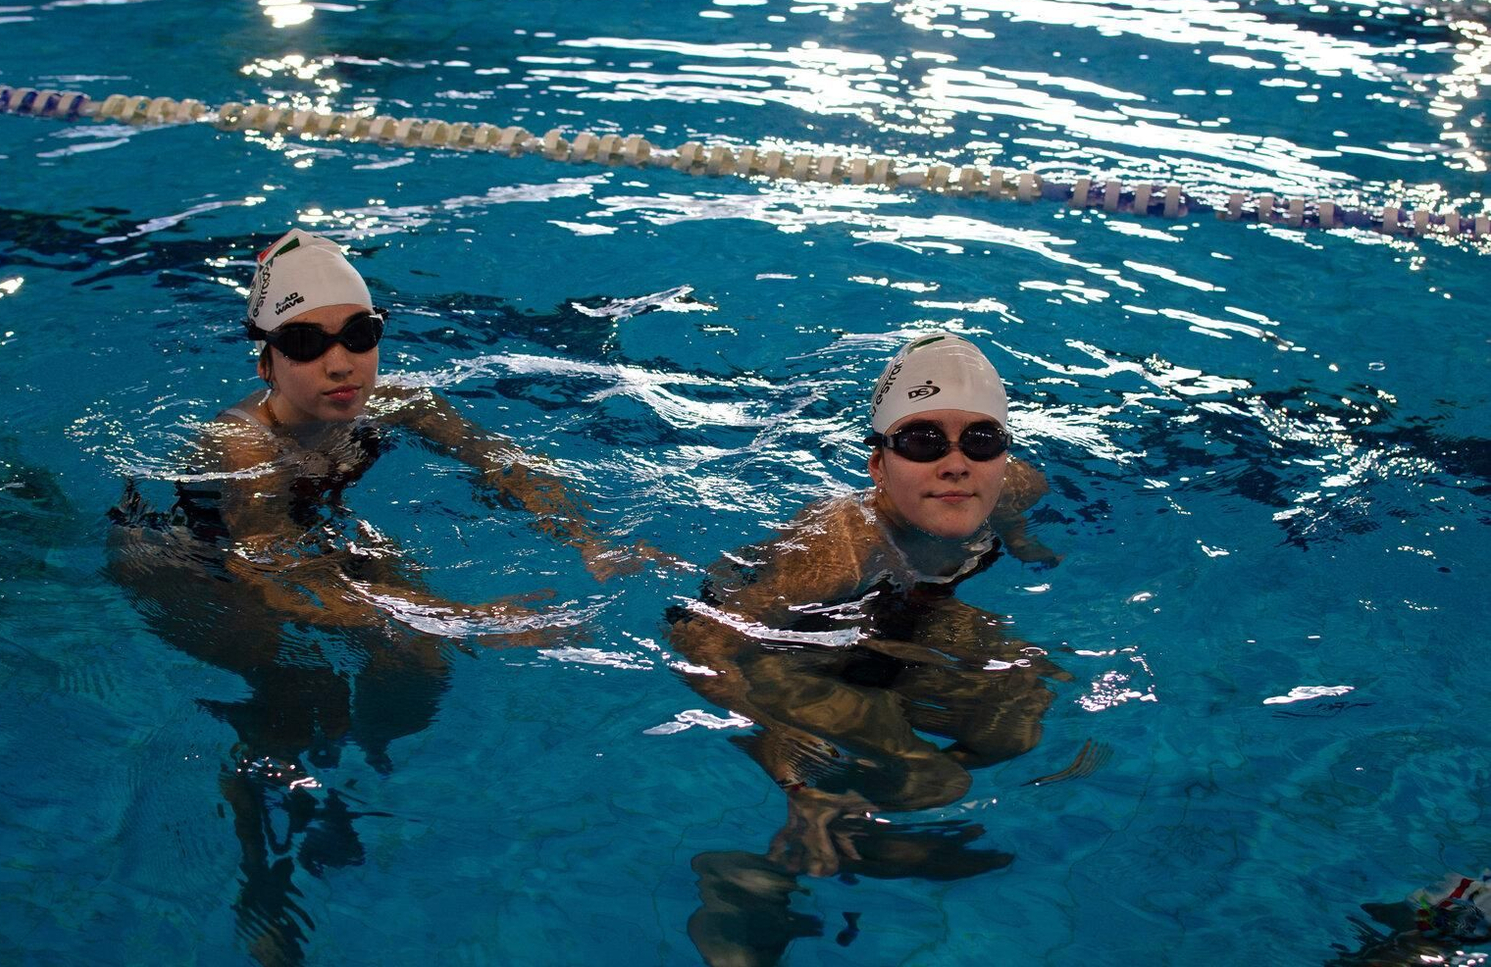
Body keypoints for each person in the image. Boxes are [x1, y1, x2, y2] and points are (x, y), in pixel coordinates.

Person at [108, 228, 667, 966]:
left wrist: (586, 538)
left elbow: (499, 461)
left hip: (300, 535)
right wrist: (466, 616)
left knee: (419, 660)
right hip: (190, 563)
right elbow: (272, 573)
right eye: (306, 342)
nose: (340, 362)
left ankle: (355, 766)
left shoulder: (390, 402)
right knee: (297, 688)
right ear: (267, 358)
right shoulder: (241, 445)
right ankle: (261, 882)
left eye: (359, 334)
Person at [669, 332, 1069, 966]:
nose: (957, 463)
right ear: (878, 464)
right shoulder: (843, 545)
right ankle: (802, 834)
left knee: (1017, 716)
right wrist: (780, 744)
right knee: (931, 778)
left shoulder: (1016, 486)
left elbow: (1008, 512)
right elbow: (698, 635)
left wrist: (1021, 542)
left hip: (905, 619)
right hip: (791, 649)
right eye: (922, 440)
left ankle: (851, 816)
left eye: (981, 440)